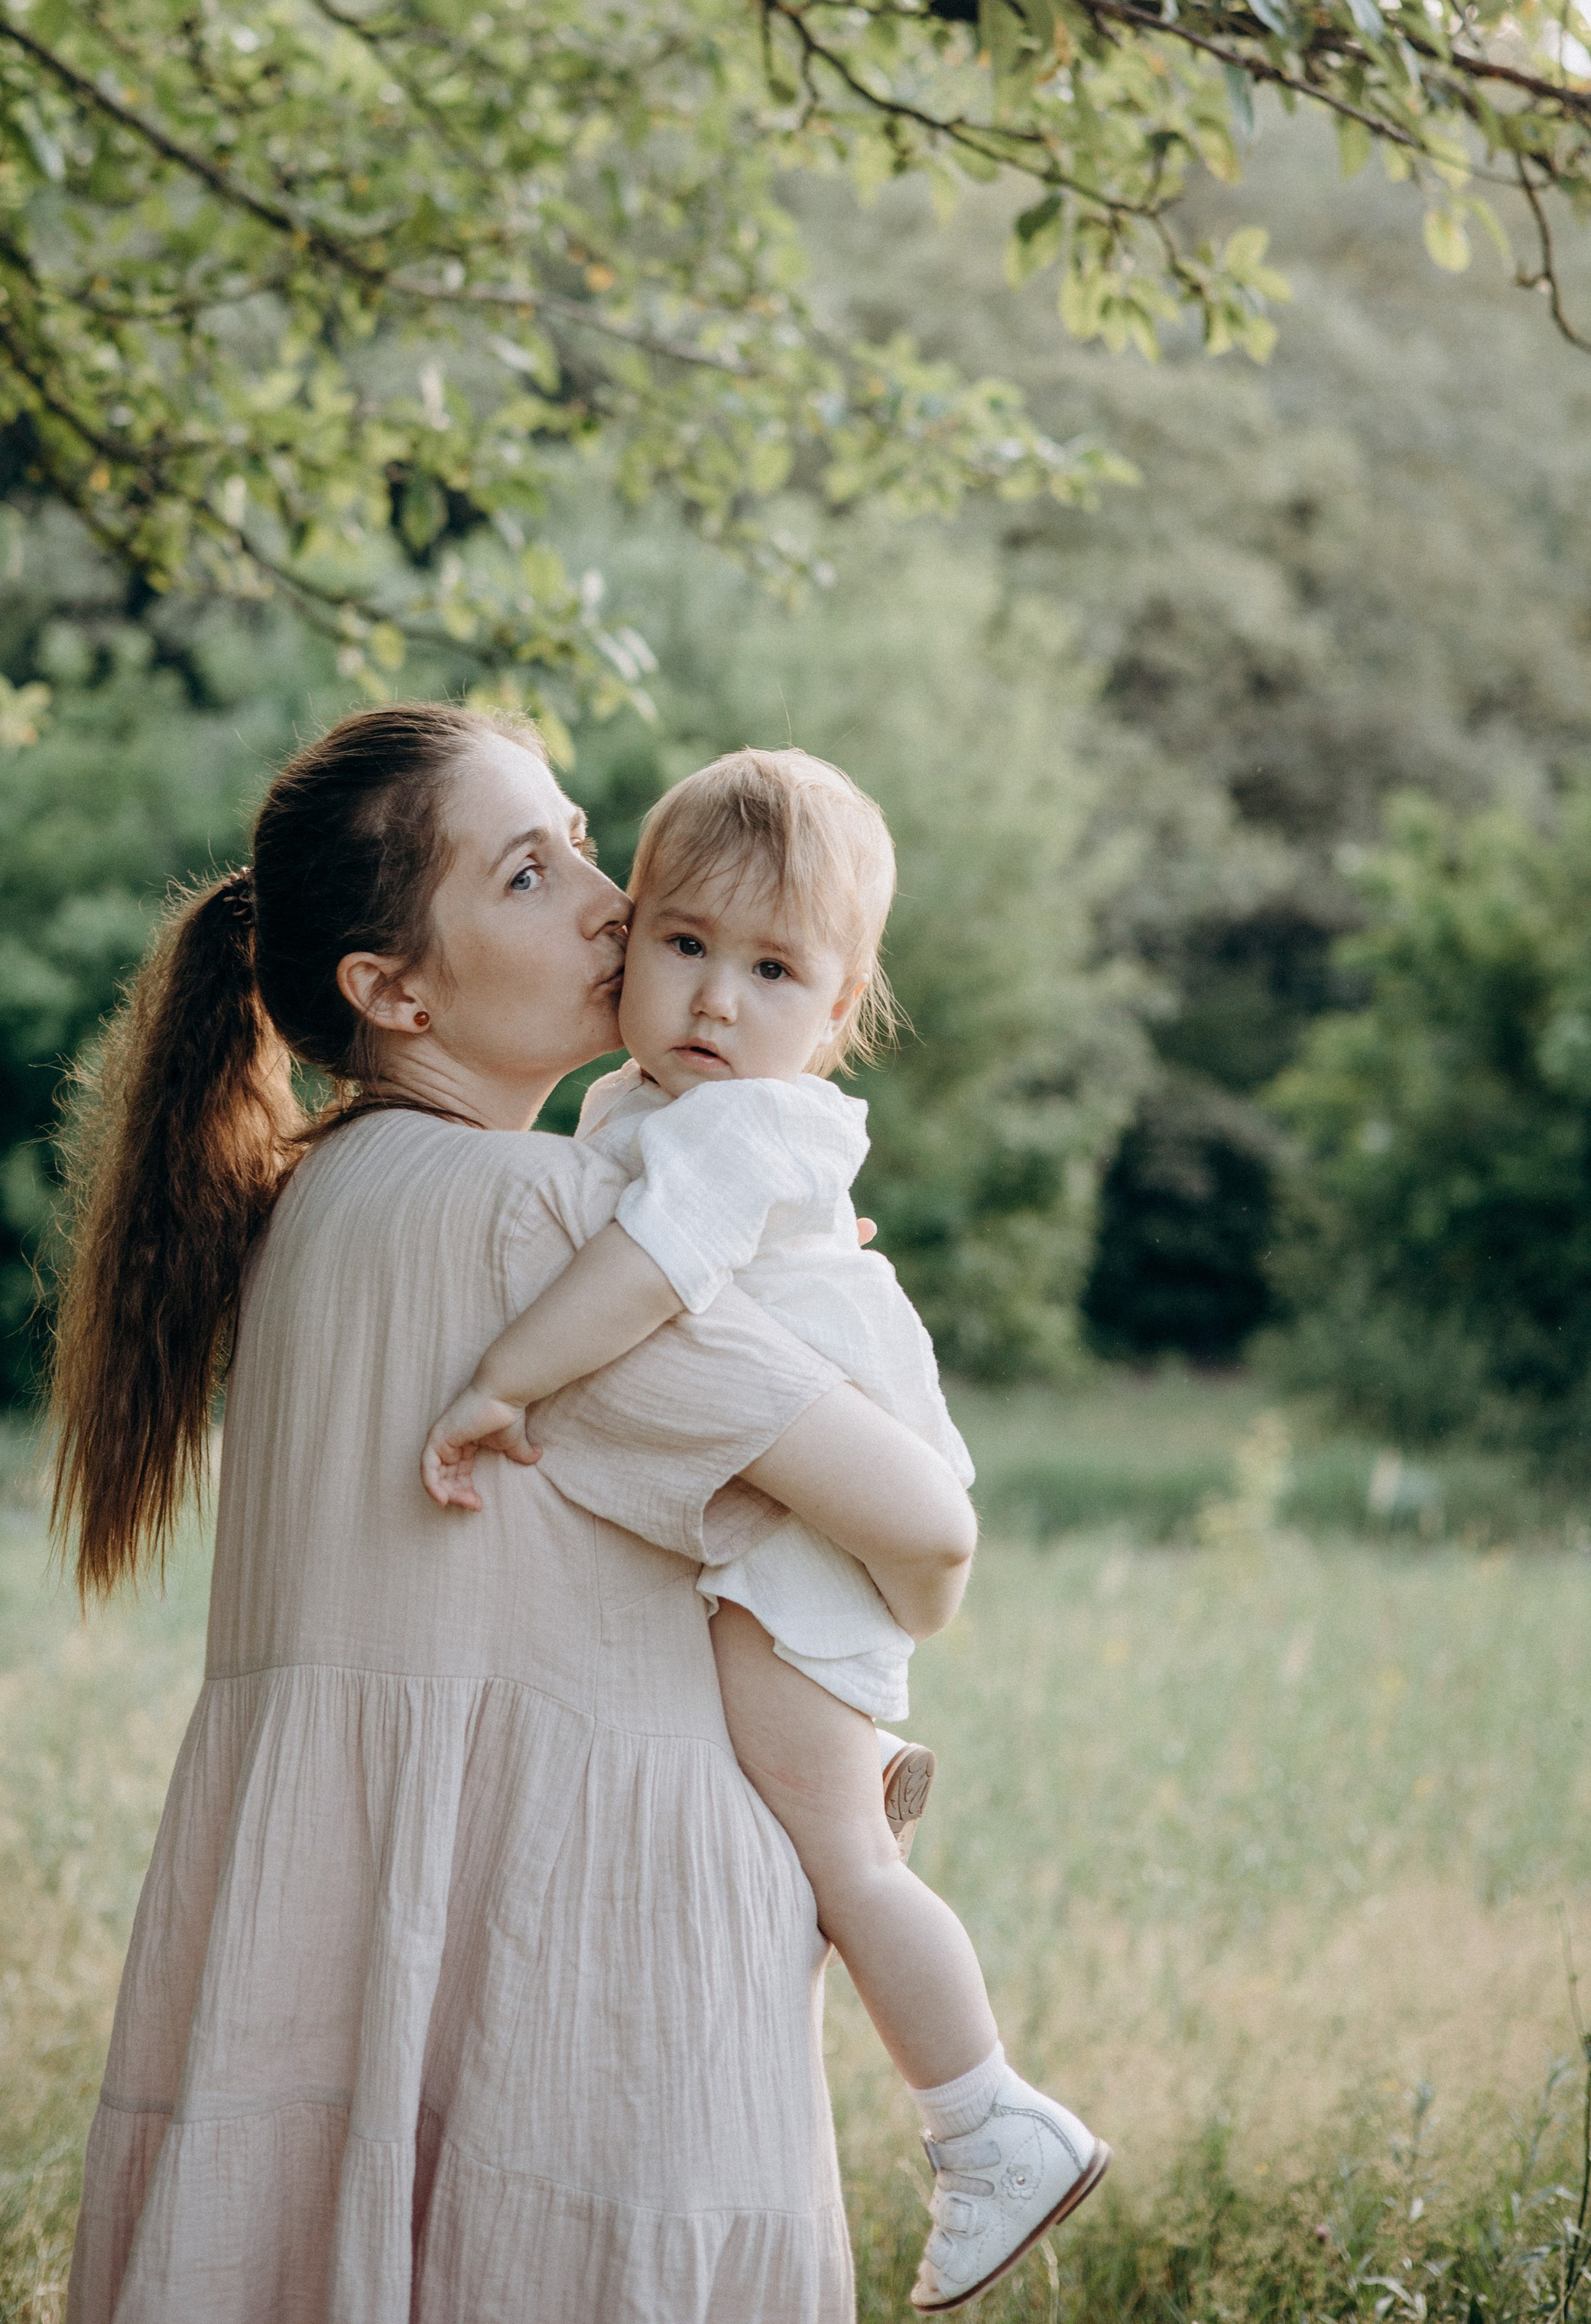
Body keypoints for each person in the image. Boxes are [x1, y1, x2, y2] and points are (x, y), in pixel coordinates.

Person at [49, 702, 975, 2324]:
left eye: (587, 845)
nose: (613, 903)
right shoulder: (533, 1220)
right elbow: (924, 1528)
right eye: (533, 874)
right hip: (594, 1980)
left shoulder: (317, 1198)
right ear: (390, 990)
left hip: (350, 1939)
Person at [420, 749, 1108, 2314]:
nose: (717, 1000)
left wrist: (498, 1382)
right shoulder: (647, 1100)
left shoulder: (740, 1128)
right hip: (792, 1511)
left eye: (773, 969)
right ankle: (971, 2088)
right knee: (810, 1833)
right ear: (634, 934)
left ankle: (987, 2121)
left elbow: (650, 1276)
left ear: (840, 1003)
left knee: (837, 1859)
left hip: (814, 1531)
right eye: (684, 946)